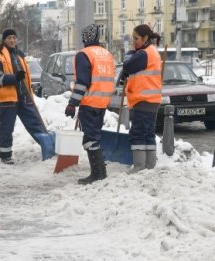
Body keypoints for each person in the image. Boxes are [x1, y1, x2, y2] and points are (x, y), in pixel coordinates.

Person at [64, 24, 115, 184]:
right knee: (95, 137)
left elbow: (82, 83)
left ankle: (98, 174)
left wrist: (73, 103)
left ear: (85, 38)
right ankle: (100, 172)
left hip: (90, 101)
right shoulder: (107, 54)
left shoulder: (84, 54)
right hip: (103, 102)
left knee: (90, 139)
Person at [0, 28, 46, 165]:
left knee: (35, 123)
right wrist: (14, 78)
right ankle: (5, 154)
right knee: (6, 128)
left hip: (23, 95)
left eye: (14, 38)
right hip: (8, 98)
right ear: (4, 40)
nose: (12, 40)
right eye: (9, 38)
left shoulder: (19, 55)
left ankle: (48, 147)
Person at [121, 24, 162, 173]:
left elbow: (127, 66)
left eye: (136, 38)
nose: (134, 41)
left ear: (145, 38)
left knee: (138, 133)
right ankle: (150, 166)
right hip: (151, 100)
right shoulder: (152, 52)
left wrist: (131, 52)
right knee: (148, 133)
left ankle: (139, 167)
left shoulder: (144, 54)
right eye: (133, 38)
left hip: (143, 100)